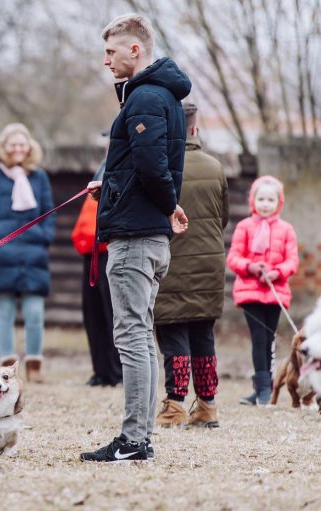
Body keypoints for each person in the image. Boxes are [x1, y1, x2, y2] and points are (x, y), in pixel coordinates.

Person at [80, 14, 191, 463]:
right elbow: (144, 165)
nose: (105, 61)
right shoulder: (159, 95)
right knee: (141, 336)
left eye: (111, 51)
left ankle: (133, 440)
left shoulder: (144, 97)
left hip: (136, 237)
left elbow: (150, 166)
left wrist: (167, 205)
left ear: (135, 51)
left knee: (131, 337)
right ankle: (139, 437)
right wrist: (106, 186)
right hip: (146, 232)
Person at [153, 102, 229, 428]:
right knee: (203, 336)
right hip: (209, 264)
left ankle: (174, 406)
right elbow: (223, 218)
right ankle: (208, 406)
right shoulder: (214, 166)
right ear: (195, 129)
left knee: (173, 336)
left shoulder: (161, 167)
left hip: (171, 262)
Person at [0, 123, 55, 383]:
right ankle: (7, 366)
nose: (17, 149)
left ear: (29, 148)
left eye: (21, 144)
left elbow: (49, 210)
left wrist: (44, 235)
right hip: (2, 254)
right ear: (4, 147)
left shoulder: (39, 177)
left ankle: (34, 364)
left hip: (34, 254)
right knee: (4, 313)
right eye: (12, 144)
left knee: (35, 313)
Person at [226, 176, 299, 406]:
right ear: (253, 201)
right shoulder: (244, 227)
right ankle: (264, 388)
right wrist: (251, 266)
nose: (265, 203)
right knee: (259, 338)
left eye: (270, 199)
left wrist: (278, 272)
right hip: (251, 291)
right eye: (261, 198)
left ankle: (260, 388)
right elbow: (234, 258)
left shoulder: (286, 230)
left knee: (268, 339)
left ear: (278, 202)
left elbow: (292, 261)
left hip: (276, 293)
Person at [71, 155, 122, 387]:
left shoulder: (124, 164)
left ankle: (117, 372)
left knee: (113, 312)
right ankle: (101, 371)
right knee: (93, 314)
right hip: (90, 250)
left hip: (110, 249)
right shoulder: (102, 165)